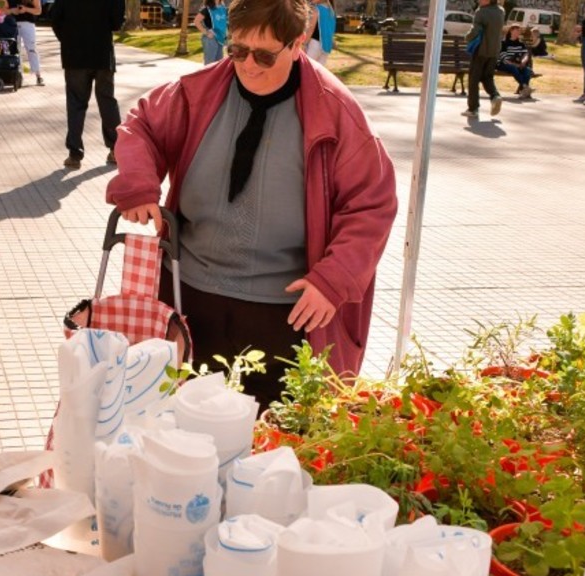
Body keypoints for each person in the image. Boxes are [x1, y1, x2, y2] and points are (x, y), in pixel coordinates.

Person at [105, 0, 397, 404]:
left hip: (285, 313)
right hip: (189, 296)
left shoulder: (336, 111)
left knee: (270, 444)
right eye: (237, 51)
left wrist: (334, 281)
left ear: (298, 43)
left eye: (264, 54)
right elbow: (142, 125)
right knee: (181, 426)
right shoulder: (198, 91)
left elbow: (372, 203)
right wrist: (138, 183)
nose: (249, 66)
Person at [52, 0, 124, 169]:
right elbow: (117, 22)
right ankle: (116, 149)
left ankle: (75, 154)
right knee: (107, 101)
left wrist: (68, 39)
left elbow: (55, 18)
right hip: (102, 53)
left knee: (76, 103)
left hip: (74, 54)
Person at [462, 0, 503, 118]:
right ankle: (495, 96)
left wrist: (467, 38)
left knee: (473, 80)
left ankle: (473, 109)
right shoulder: (501, 11)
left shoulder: (481, 12)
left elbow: (475, 31)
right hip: (494, 52)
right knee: (487, 77)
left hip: (481, 51)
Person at [7, 0, 43, 85]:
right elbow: (3, 11)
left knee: (31, 48)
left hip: (28, 23)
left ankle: (38, 75)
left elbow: (38, 10)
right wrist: (12, 11)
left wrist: (26, 9)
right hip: (13, 24)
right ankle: (18, 75)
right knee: (16, 49)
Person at [498, 24, 534, 99]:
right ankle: (525, 87)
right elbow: (504, 58)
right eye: (517, 31)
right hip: (504, 64)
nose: (519, 33)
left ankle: (524, 91)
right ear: (511, 31)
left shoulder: (521, 44)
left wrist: (523, 62)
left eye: (519, 31)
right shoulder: (504, 43)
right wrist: (515, 65)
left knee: (527, 70)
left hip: (518, 64)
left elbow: (525, 54)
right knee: (513, 68)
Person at [194, 0, 228, 64]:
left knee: (218, 63)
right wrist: (206, 32)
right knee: (210, 63)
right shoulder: (207, 9)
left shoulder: (223, 8)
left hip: (220, 38)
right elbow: (196, 21)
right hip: (211, 38)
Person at [304, 0, 334, 66]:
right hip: (326, 46)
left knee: (306, 69)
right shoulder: (331, 11)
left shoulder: (316, 9)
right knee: (317, 72)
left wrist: (303, 44)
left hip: (315, 44)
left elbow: (310, 29)